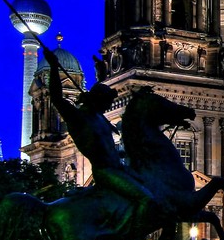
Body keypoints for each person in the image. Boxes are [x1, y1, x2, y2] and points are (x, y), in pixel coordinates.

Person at [41, 45, 151, 204]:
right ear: (98, 100)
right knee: (146, 199)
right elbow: (57, 99)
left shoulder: (100, 118)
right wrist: (53, 67)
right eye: (107, 102)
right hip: (106, 172)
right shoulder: (80, 118)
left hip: (119, 169)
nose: (108, 106)